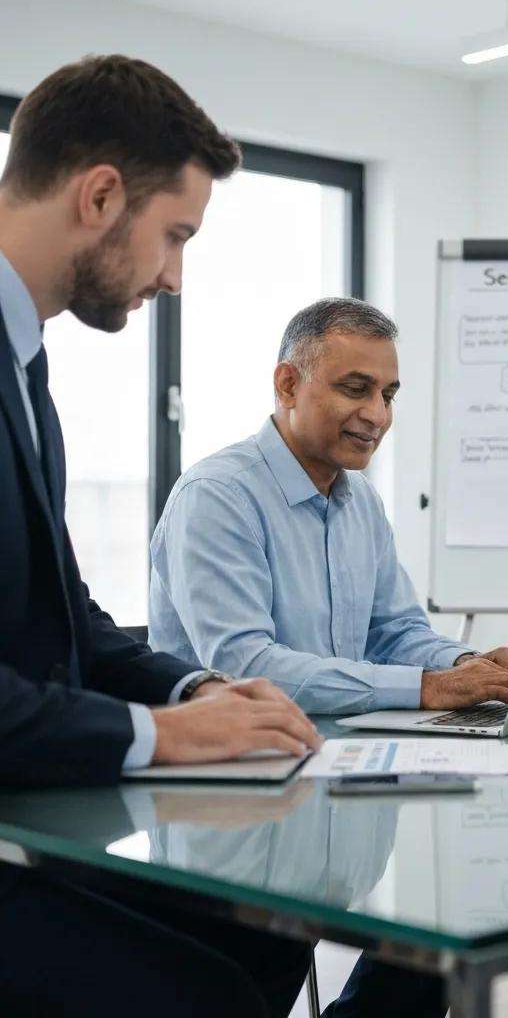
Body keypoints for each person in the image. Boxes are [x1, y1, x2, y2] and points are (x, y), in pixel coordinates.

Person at [0, 56, 322, 1018]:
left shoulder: (24, 367)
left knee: (263, 924)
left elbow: (66, 613)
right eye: (174, 235)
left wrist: (195, 688)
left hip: (35, 812)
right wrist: (164, 735)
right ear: (101, 196)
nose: (175, 277)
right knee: (208, 990)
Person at [148, 295, 508, 1015]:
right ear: (287, 385)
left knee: (438, 944)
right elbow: (247, 667)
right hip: (231, 814)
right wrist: (428, 686)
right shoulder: (218, 497)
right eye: (356, 389)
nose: (378, 414)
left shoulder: (361, 505)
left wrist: (476, 664)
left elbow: (397, 633)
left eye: (388, 394)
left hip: (337, 800)